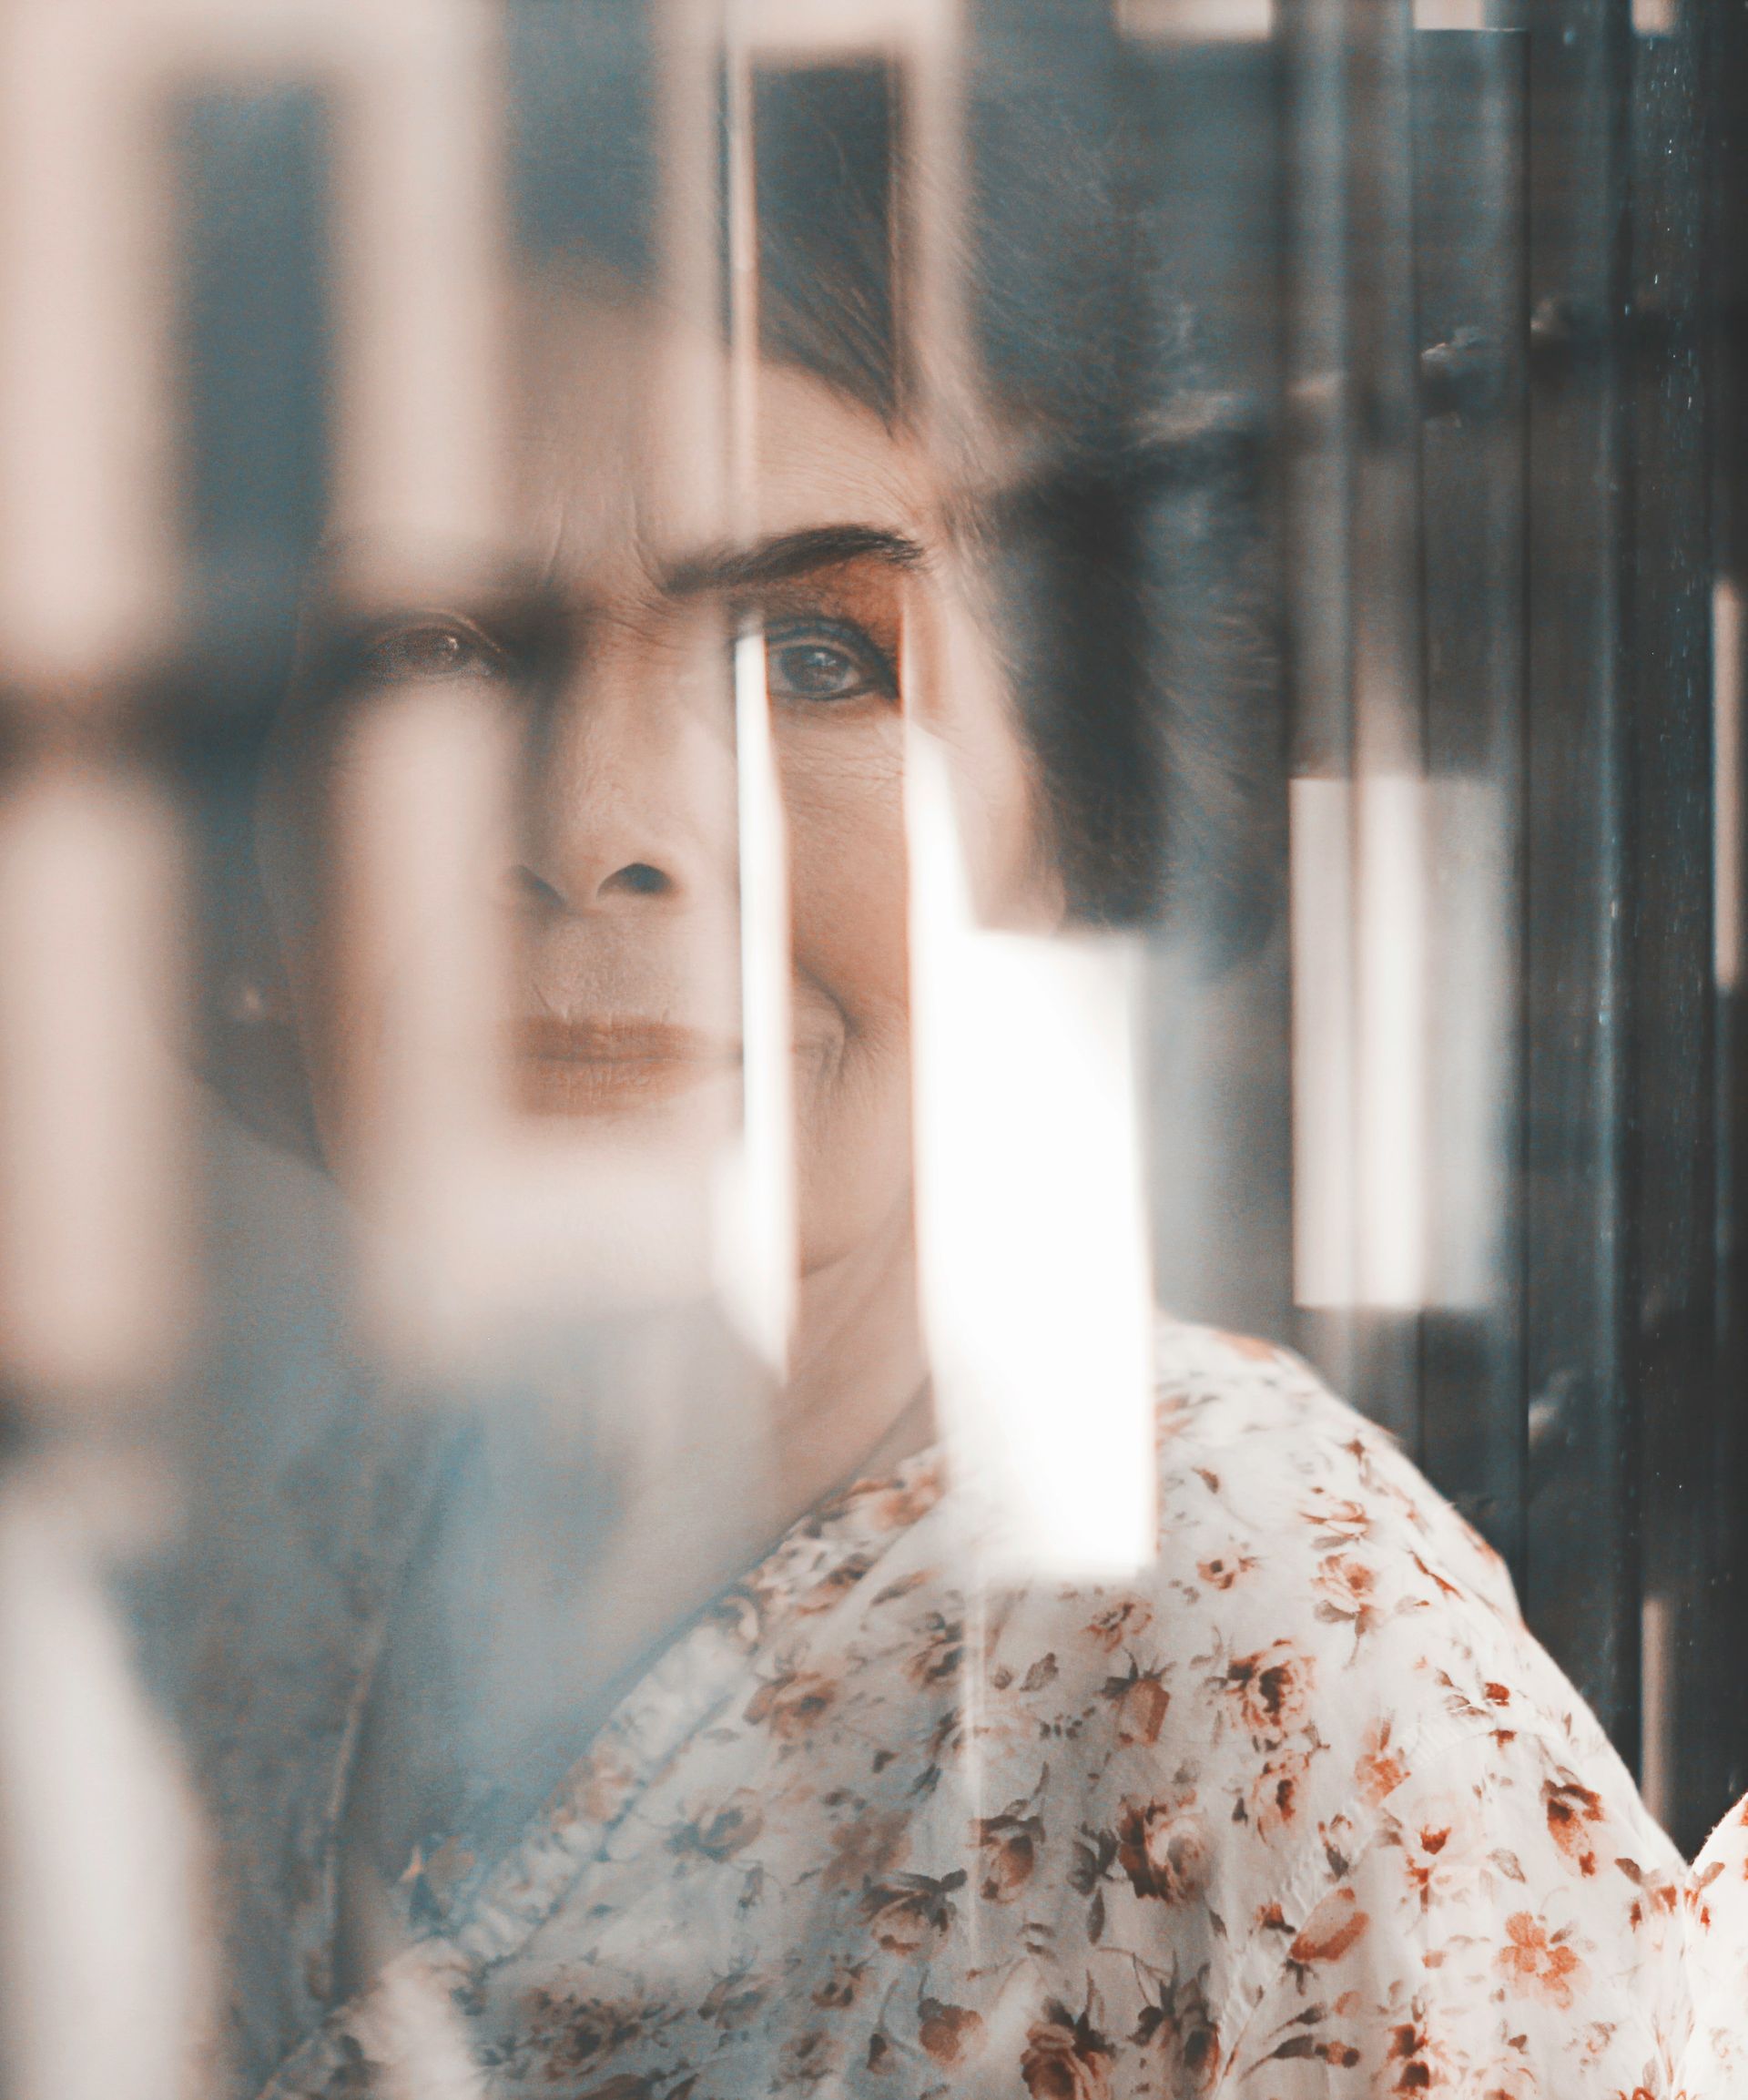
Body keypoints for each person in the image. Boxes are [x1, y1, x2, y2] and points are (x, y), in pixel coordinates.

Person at [189, 102, 1693, 2100]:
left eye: (819, 657)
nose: (597, 826)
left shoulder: (1275, 1654)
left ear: (1059, 826)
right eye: (442, 649)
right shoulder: (305, 1558)